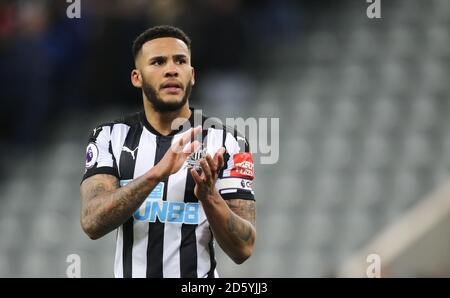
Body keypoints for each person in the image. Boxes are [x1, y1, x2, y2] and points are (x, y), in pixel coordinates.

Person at [79, 25, 256, 278]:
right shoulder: (109, 136)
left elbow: (244, 247)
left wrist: (208, 197)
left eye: (180, 61)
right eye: (158, 62)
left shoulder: (228, 142)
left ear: (192, 74)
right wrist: (156, 174)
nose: (171, 69)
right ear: (136, 77)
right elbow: (92, 222)